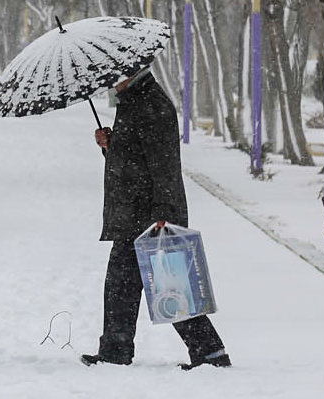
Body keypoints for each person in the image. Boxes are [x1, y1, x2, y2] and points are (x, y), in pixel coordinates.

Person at [80, 66, 231, 370]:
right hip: (133, 211)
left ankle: (209, 353)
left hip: (149, 213)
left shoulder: (151, 104)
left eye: (113, 75)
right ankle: (115, 351)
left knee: (168, 285)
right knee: (124, 285)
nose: (109, 81)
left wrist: (164, 213)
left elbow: (165, 165)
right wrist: (111, 146)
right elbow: (135, 157)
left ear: (129, 71)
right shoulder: (134, 101)